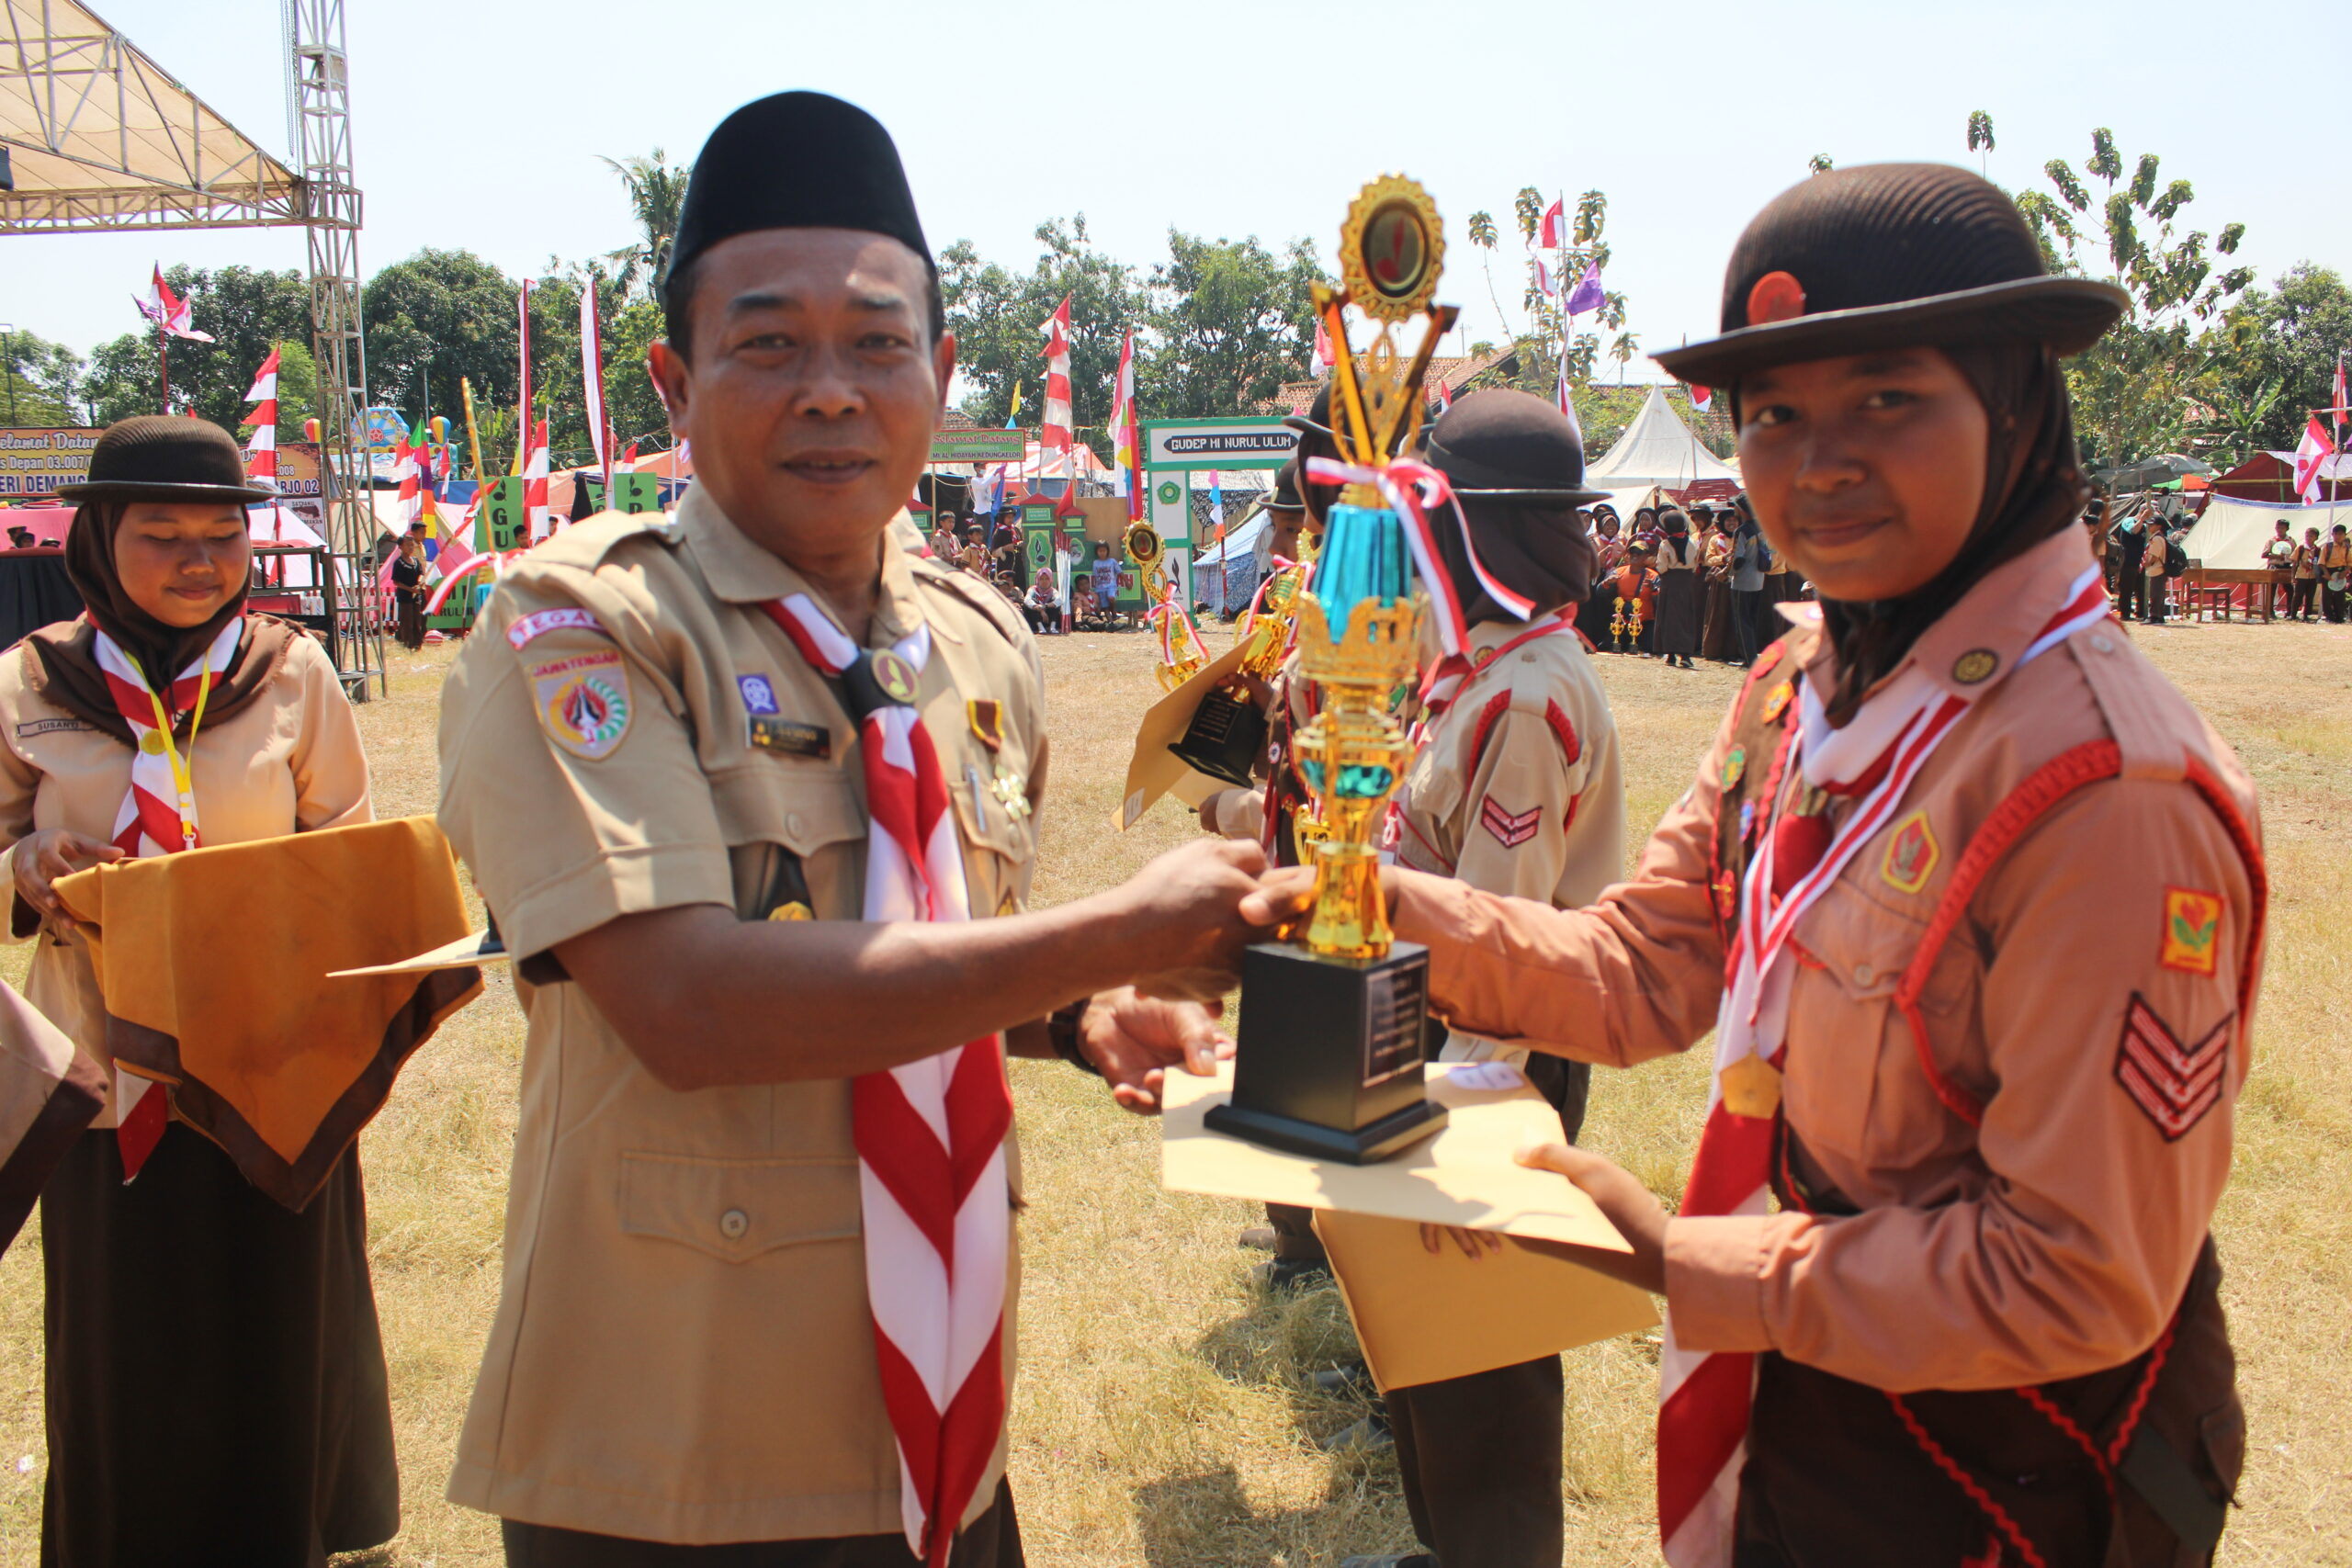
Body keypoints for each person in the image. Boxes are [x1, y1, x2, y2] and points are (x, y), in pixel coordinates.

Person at [1248, 161, 2259, 1568]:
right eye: (1774, 413)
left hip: (2014, 1467)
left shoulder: (2106, 787)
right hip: (1818, 1401)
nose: (1817, 459)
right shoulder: (1804, 685)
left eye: (1887, 398)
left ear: (2018, 399)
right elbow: (1645, 957)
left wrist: (1681, 1260)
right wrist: (1362, 901)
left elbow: (2073, 1275)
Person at [434, 91, 1263, 1566]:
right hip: (678, 1450)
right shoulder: (581, 620)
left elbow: (924, 943)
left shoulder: (981, 641)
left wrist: (1078, 1013)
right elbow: (685, 1000)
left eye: (879, 342)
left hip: (938, 1419)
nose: (832, 388)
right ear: (672, 382)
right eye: (767, 342)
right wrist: (1119, 929)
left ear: (939, 375)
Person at [2, 416, 391, 1567]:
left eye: (223, 535)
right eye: (161, 533)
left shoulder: (290, 672)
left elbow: (352, 853)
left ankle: (287, 1536)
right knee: (119, 1336)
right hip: (102, 1075)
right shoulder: (29, 684)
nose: (197, 562)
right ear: (95, 538)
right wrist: (25, 871)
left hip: (274, 1065)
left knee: (280, 1321)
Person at [1334, 390, 1628, 1568]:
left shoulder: (1524, 694)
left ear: (1474, 533)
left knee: (1486, 1343)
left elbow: (1501, 932)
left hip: (1489, 1051)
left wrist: (1461, 1119)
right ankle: (1444, 1548)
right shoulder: (1475, 670)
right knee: (1426, 1334)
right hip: (1427, 1032)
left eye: (1427, 517)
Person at [1652, 504, 1703, 669]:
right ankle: (1686, 654)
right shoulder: (1693, 542)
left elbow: (1662, 567)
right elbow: (1695, 564)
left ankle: (1671, 654)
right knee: (1686, 616)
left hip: (1670, 581)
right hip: (1687, 581)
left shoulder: (1665, 544)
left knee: (1669, 617)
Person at [1574, 507, 1625, 649]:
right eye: (1607, 524)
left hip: (1611, 578)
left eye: (1613, 525)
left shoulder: (1620, 543)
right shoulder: (1593, 540)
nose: (1610, 528)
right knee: (1586, 609)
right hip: (1590, 577)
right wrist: (1602, 553)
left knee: (1605, 610)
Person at [1728, 494, 1768, 664]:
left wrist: (1726, 573)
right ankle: (1751, 655)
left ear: (1742, 510)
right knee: (1751, 619)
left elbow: (1738, 558)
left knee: (1742, 621)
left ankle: (1748, 658)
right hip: (1759, 578)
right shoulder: (1762, 527)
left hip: (1743, 580)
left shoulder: (1742, 530)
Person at [1700, 506, 1739, 661]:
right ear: (1722, 523)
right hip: (1719, 580)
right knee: (1718, 615)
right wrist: (1724, 558)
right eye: (1728, 520)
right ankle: (1714, 650)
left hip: (1737, 578)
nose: (1732, 523)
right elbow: (1708, 559)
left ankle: (1733, 651)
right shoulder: (1716, 540)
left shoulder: (1740, 538)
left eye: (1734, 520)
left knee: (1734, 615)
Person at [2109, 503, 2153, 620]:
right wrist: (2142, 518)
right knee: (2126, 588)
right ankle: (2125, 613)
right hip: (2128, 561)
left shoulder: (2146, 526)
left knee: (2142, 589)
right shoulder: (2129, 521)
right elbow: (2133, 531)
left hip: (2142, 562)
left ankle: (2141, 613)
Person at [390, 530, 429, 649]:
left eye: (412, 545)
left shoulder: (416, 561)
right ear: (401, 547)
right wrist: (411, 590)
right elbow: (396, 582)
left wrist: (419, 584)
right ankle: (408, 644)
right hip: (405, 596)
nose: (411, 547)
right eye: (408, 545)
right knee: (407, 621)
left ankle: (418, 644)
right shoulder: (399, 563)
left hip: (416, 595)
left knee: (417, 620)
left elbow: (421, 574)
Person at [2261, 518, 2294, 619]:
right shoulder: (2271, 541)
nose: (2279, 530)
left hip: (2286, 566)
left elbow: (2295, 553)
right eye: (2278, 527)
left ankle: (2289, 611)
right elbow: (2264, 554)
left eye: (2282, 528)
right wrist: (2276, 556)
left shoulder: (2291, 541)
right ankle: (2270, 611)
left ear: (2287, 529)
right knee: (2271, 589)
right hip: (2274, 566)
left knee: (2289, 589)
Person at [2321, 522, 2352, 624]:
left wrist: (2345, 571)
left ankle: (2340, 617)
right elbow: (2321, 562)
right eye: (2336, 534)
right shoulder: (2327, 547)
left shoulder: (2347, 548)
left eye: (2341, 534)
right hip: (2328, 571)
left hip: (2341, 571)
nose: (2338, 536)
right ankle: (2329, 617)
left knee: (2340, 595)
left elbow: (2349, 562)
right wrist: (2326, 573)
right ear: (2332, 535)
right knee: (2327, 596)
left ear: (2345, 535)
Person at [2290, 525, 2321, 621]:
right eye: (2307, 535)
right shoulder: (2301, 548)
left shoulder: (2318, 550)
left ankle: (2306, 615)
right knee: (2298, 595)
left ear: (2316, 538)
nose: (2308, 538)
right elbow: (2294, 563)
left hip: (2312, 576)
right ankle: (2293, 614)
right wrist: (2293, 577)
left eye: (2311, 536)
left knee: (2310, 596)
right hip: (2301, 575)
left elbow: (2319, 563)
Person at [1022, 566, 1060, 634]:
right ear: (1038, 580)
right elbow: (1027, 600)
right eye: (1041, 579)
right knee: (1032, 602)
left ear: (1051, 580)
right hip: (1036, 617)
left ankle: (1052, 627)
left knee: (1055, 603)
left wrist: (1045, 606)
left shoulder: (1053, 591)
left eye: (1047, 579)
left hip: (1048, 617)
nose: (1044, 581)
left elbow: (1059, 600)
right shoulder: (1033, 589)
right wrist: (1040, 609)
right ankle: (1040, 627)